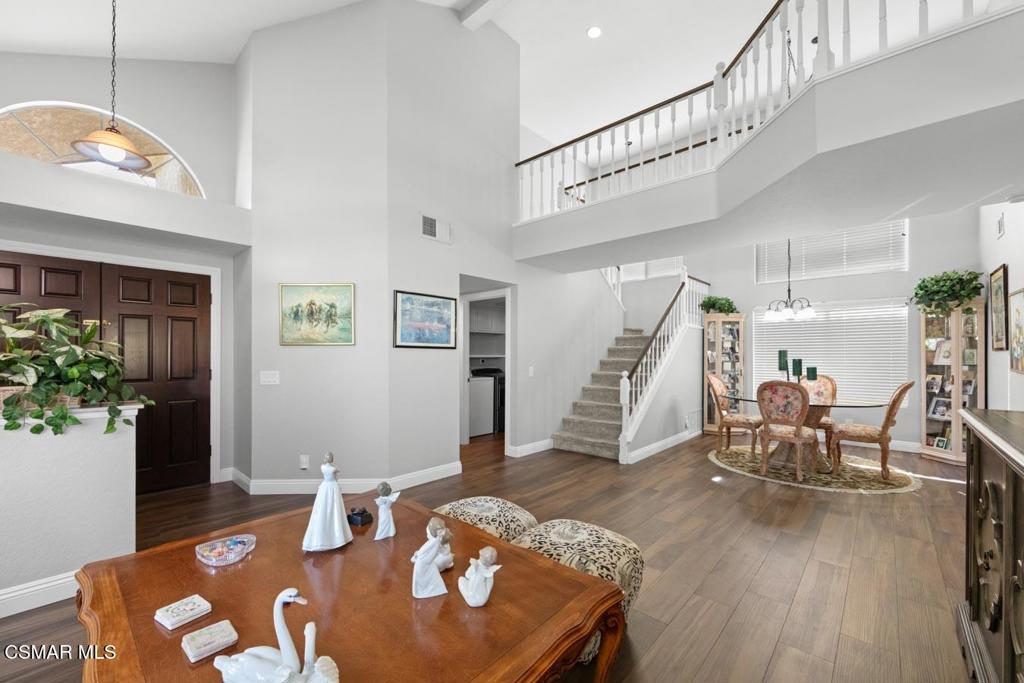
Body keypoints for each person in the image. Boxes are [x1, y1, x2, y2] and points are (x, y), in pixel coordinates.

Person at [301, 452, 353, 551]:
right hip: (332, 488)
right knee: (335, 509)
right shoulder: (334, 468)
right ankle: (337, 537)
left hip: (325, 487)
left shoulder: (322, 467)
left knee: (324, 508)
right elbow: (337, 472)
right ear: (331, 459)